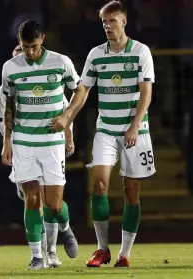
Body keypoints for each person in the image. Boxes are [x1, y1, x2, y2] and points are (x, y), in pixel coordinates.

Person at [52, 0, 156, 268]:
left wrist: (134, 126)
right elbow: (83, 90)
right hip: (106, 129)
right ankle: (102, 249)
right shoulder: (96, 54)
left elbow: (146, 93)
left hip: (136, 130)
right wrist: (68, 115)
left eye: (112, 21)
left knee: (131, 191)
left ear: (124, 21)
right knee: (98, 185)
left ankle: (125, 253)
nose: (108, 26)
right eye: (104, 22)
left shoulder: (141, 51)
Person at [1, 20, 81, 270]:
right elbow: (9, 106)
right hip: (24, 141)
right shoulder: (11, 67)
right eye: (26, 47)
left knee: (54, 206)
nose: (31, 52)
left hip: (51, 142)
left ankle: (65, 227)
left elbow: (80, 91)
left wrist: (67, 119)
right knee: (32, 200)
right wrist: (7, 141)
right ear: (19, 43)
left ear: (43, 39)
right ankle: (37, 256)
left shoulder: (61, 62)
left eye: (34, 46)